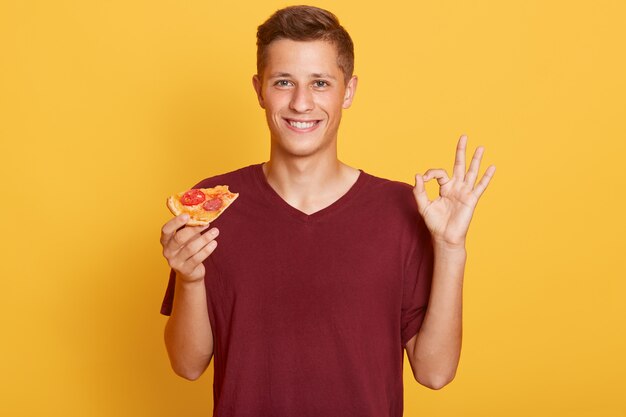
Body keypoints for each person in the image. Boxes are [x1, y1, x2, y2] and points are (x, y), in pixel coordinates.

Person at [159, 5, 495, 417]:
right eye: (284, 82)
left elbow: (435, 372)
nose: (302, 103)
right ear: (259, 89)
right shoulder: (214, 207)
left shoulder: (403, 211)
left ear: (348, 91)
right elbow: (187, 365)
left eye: (320, 83)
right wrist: (189, 280)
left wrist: (450, 247)